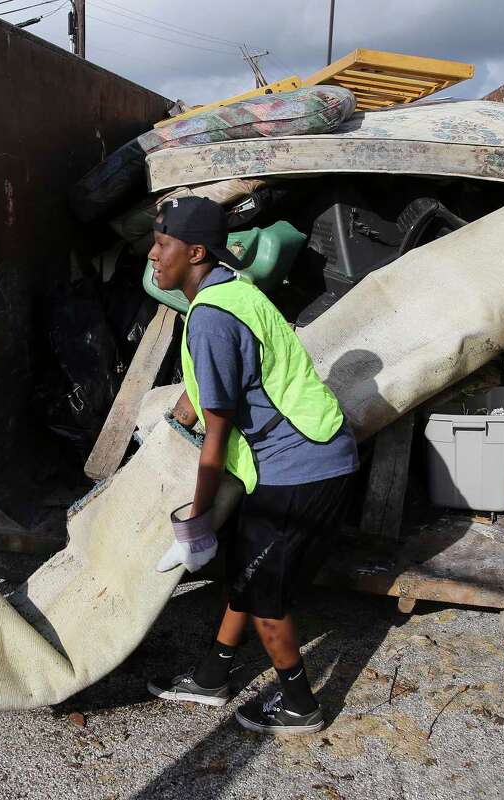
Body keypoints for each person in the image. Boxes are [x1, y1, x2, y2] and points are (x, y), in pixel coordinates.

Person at [144, 197, 360, 735]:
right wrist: (168, 428)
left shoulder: (212, 318)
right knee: (246, 565)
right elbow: (213, 388)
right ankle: (214, 676)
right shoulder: (229, 293)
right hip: (294, 459)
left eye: (162, 244)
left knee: (265, 594)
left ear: (195, 252)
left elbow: (216, 435)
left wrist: (195, 523)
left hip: (304, 467)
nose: (153, 254)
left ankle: (298, 706)